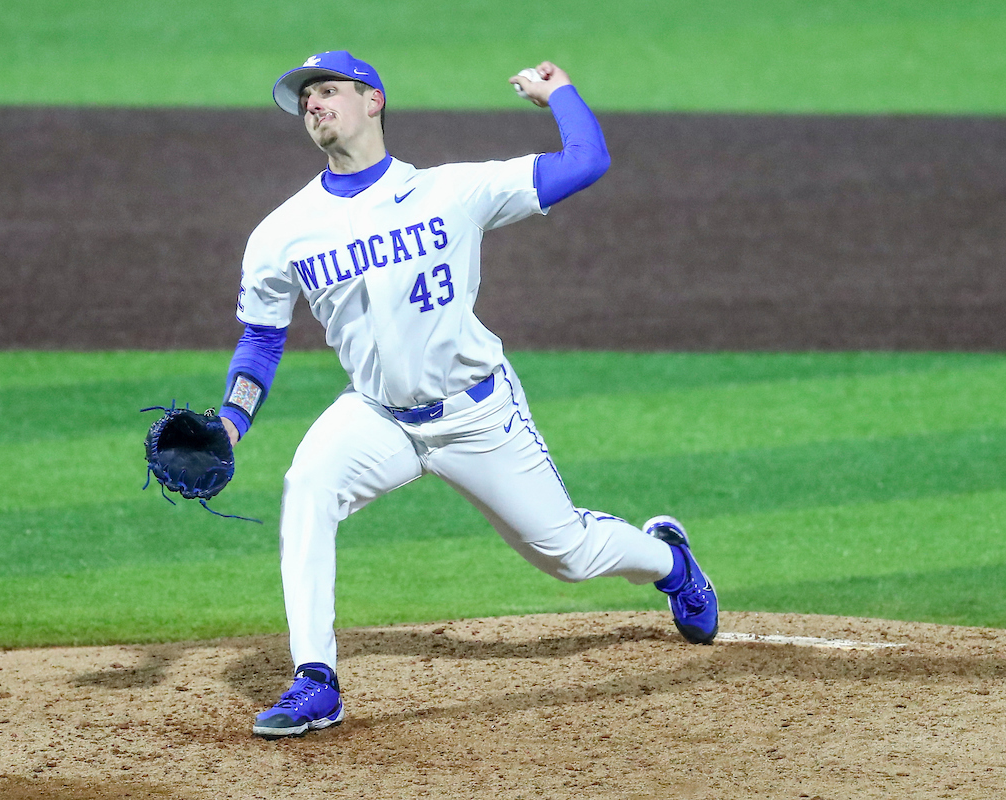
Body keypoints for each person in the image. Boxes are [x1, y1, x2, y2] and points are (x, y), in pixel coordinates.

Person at [215, 51, 718, 739]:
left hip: (477, 413)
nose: (314, 105)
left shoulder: (453, 191)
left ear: (374, 101)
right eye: (306, 99)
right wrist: (232, 419)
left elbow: (586, 161)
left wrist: (562, 94)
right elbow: (261, 342)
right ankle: (316, 680)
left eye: (328, 91)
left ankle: (669, 561)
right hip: (377, 416)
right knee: (307, 487)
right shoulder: (282, 232)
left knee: (566, 554)